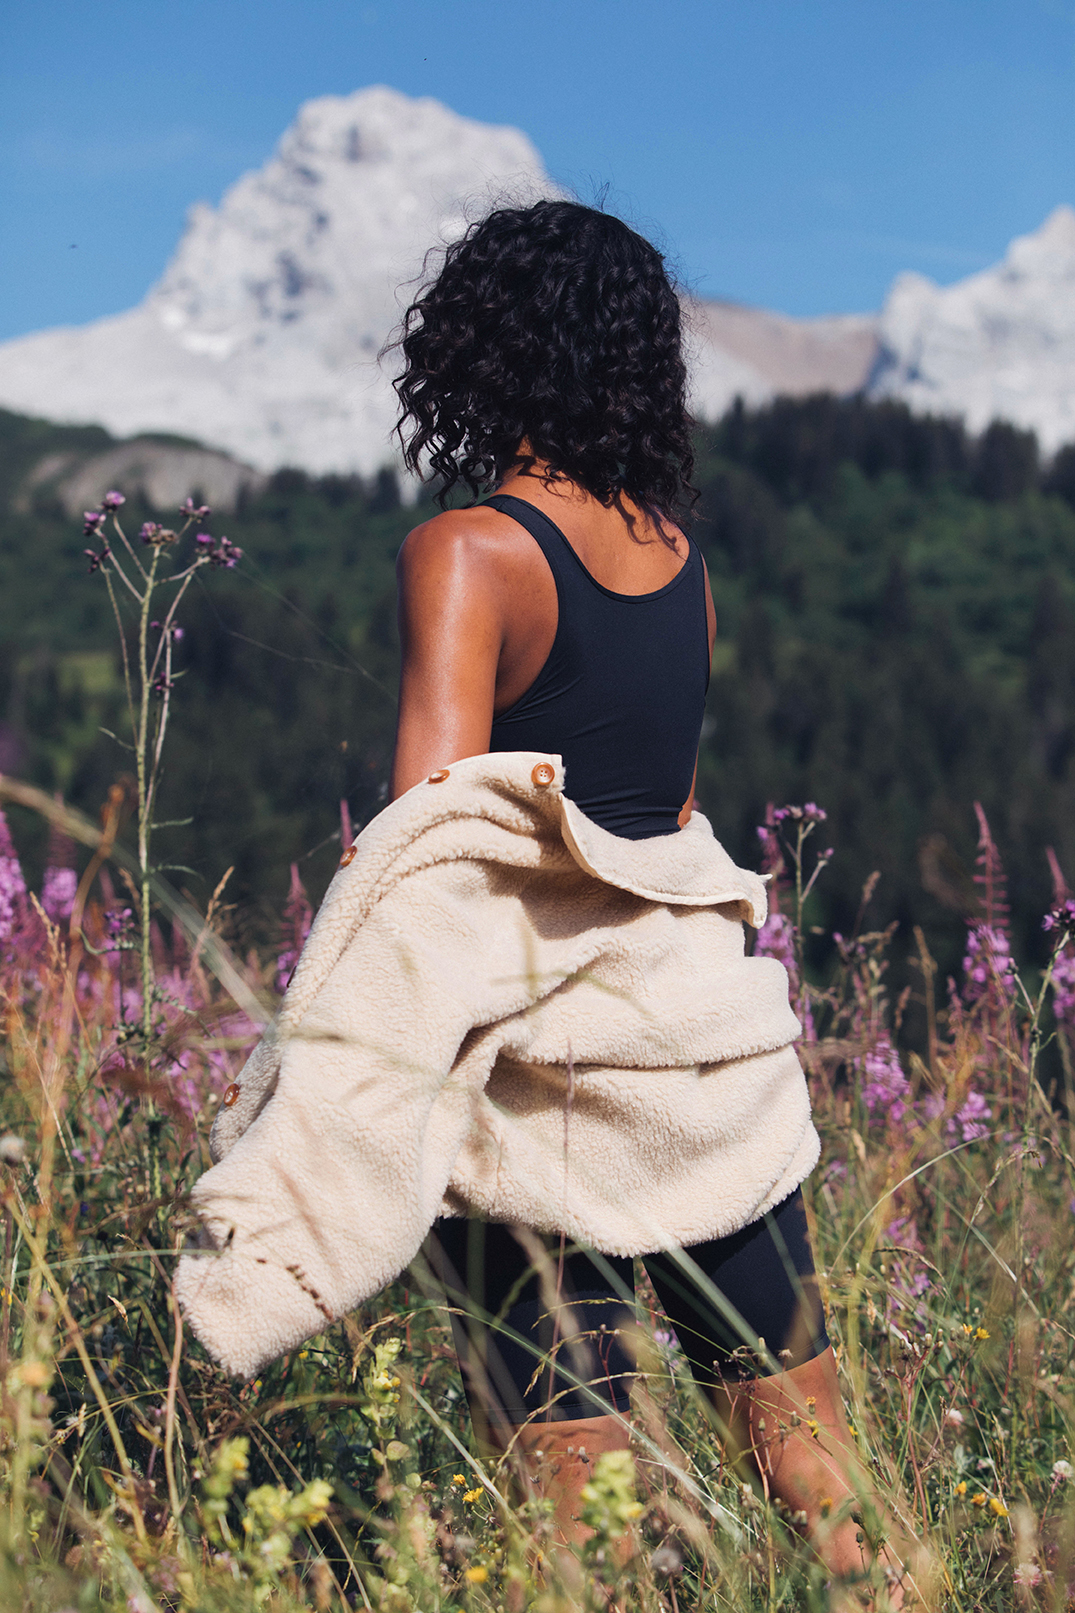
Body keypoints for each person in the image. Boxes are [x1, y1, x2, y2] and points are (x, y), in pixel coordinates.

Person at [388, 199, 921, 1606]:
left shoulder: (471, 554)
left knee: (590, 1527)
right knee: (823, 1488)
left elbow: (429, 840)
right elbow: (664, 813)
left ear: (480, 352)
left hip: (543, 1085)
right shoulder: (680, 561)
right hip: (702, 1063)